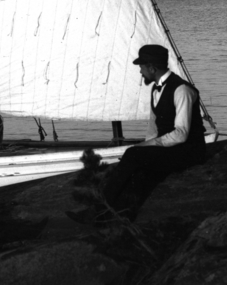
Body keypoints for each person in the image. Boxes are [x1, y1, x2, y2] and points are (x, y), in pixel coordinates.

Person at [73, 44, 208, 223]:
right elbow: (154, 126)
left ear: (152, 68)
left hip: (189, 151)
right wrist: (146, 149)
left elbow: (181, 134)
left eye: (142, 67)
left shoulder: (182, 90)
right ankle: (119, 217)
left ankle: (99, 210)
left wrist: (144, 147)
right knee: (139, 171)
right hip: (171, 149)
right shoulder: (155, 89)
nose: (140, 71)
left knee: (132, 155)